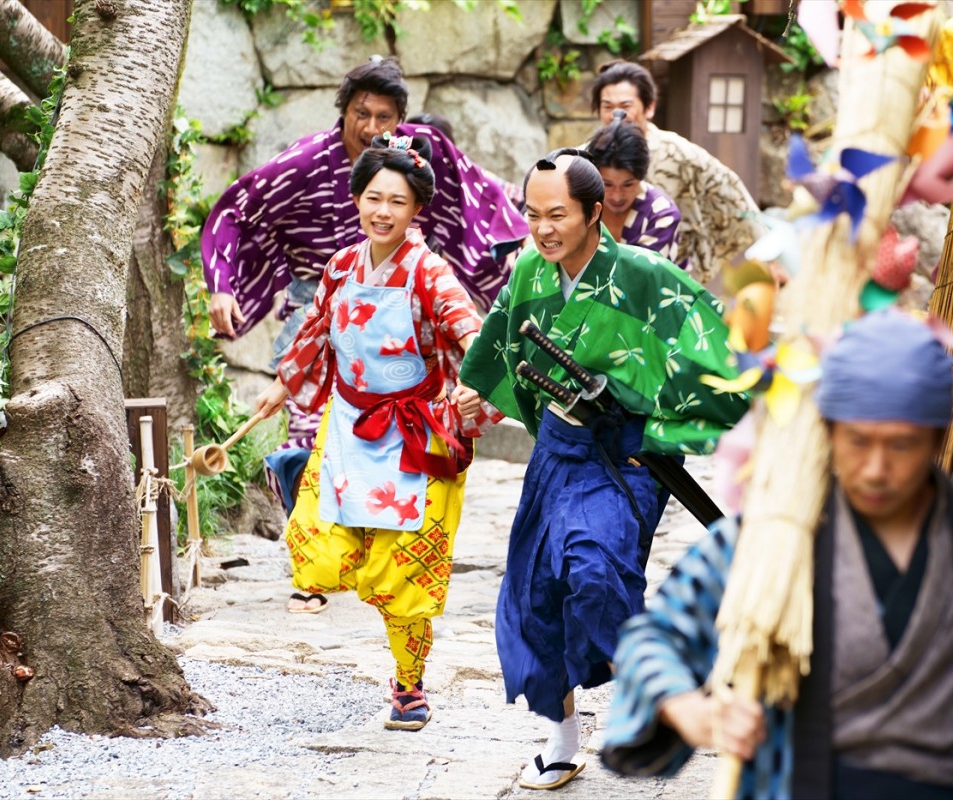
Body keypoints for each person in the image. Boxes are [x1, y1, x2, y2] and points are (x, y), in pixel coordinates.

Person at [601, 310, 953, 799]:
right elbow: (653, 639)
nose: (875, 468)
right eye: (858, 442)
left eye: (900, 445)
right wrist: (685, 706)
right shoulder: (776, 536)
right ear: (827, 433)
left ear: (938, 439)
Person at [451, 149, 750, 790]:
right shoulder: (531, 272)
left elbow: (719, 357)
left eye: (557, 214)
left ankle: (667, 691)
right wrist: (476, 391)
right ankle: (561, 739)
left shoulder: (643, 275)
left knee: (593, 568)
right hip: (558, 451)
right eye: (532, 214)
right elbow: (497, 346)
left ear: (594, 211)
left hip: (627, 456)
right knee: (536, 595)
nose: (543, 228)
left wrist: (658, 421)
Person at [200, 56, 526, 517]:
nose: (372, 126)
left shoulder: (420, 154)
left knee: (398, 445)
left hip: (404, 324)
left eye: (384, 117)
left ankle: (379, 541)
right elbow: (236, 209)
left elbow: (486, 189)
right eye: (361, 113)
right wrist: (222, 285)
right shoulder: (305, 162)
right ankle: (311, 549)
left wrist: (548, 221)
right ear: (343, 111)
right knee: (309, 441)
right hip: (321, 300)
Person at [253, 134, 499, 730]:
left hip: (416, 435)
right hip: (349, 424)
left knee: (405, 569)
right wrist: (282, 387)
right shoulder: (341, 264)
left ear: (417, 209)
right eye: (372, 197)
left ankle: (409, 687)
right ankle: (297, 472)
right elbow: (313, 329)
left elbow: (473, 335)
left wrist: (478, 386)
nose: (382, 211)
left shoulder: (430, 273)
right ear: (357, 199)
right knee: (314, 550)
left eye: (397, 200)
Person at [591, 60, 763, 285]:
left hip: (671, 272)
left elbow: (732, 192)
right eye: (607, 106)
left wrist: (767, 252)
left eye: (626, 105)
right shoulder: (586, 156)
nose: (617, 115)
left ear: (649, 107)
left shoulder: (680, 153)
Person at [584, 110, 682, 266]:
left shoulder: (661, 213)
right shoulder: (579, 201)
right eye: (607, 184)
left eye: (628, 184)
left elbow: (643, 276)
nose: (617, 196)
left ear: (641, 176)